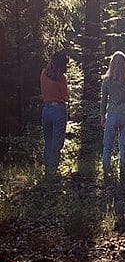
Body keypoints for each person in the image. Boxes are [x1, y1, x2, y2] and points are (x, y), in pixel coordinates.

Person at [100, 51, 125, 179]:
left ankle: (105, 169)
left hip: (112, 114)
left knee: (107, 144)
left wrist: (102, 116)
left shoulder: (107, 80)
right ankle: (123, 169)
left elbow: (104, 100)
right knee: (123, 145)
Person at [40, 50, 69, 179]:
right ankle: (53, 172)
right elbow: (66, 97)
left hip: (46, 109)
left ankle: (47, 171)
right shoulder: (61, 79)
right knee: (57, 142)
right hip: (59, 110)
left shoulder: (43, 74)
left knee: (48, 141)